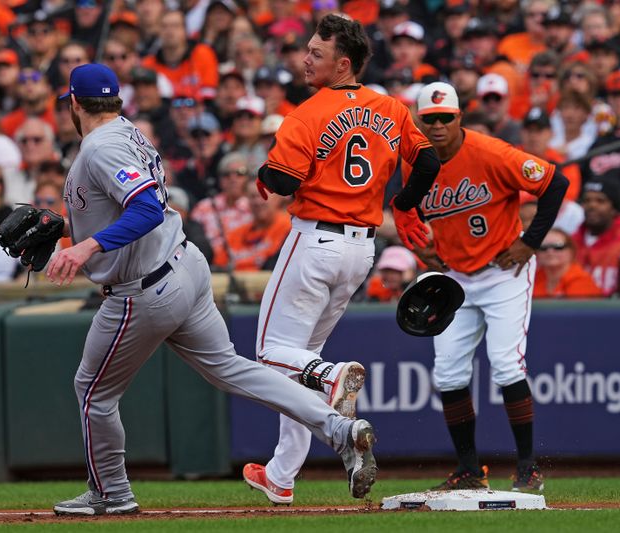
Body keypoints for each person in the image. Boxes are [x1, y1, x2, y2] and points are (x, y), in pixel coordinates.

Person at [46, 63, 378, 516]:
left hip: (143, 289)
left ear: (73, 103)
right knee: (234, 369)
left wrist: (85, 246)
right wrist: (67, 228)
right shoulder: (129, 132)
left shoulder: (100, 146)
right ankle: (338, 429)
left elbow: (143, 209)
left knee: (94, 392)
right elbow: (131, 207)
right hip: (185, 266)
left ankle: (111, 493)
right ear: (116, 101)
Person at [244, 15, 439, 505]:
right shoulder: (391, 108)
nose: (305, 58)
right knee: (295, 368)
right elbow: (431, 162)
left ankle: (332, 376)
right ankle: (282, 475)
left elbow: (284, 181)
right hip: (361, 250)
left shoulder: (307, 113)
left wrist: (266, 171)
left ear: (343, 63)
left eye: (316, 52)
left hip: (314, 242)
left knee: (269, 353)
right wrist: (406, 203)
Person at [405, 81, 568, 492]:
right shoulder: (416, 164)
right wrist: (419, 248)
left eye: (446, 118)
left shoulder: (492, 152)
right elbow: (402, 208)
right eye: (430, 119)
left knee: (506, 363)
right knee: (448, 373)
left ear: (459, 117)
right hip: (454, 276)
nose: (438, 125)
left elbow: (554, 183)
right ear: (419, 122)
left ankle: (528, 466)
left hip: (502, 271)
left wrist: (530, 242)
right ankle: (468, 470)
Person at [573, 178, 620, 296]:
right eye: (587, 200)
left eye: (600, 201)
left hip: (614, 309)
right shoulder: (570, 242)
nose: (592, 205)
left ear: (613, 208)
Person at [533, 229, 602, 298]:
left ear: (571, 251)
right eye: (543, 247)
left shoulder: (582, 282)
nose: (550, 251)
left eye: (558, 246)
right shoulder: (533, 279)